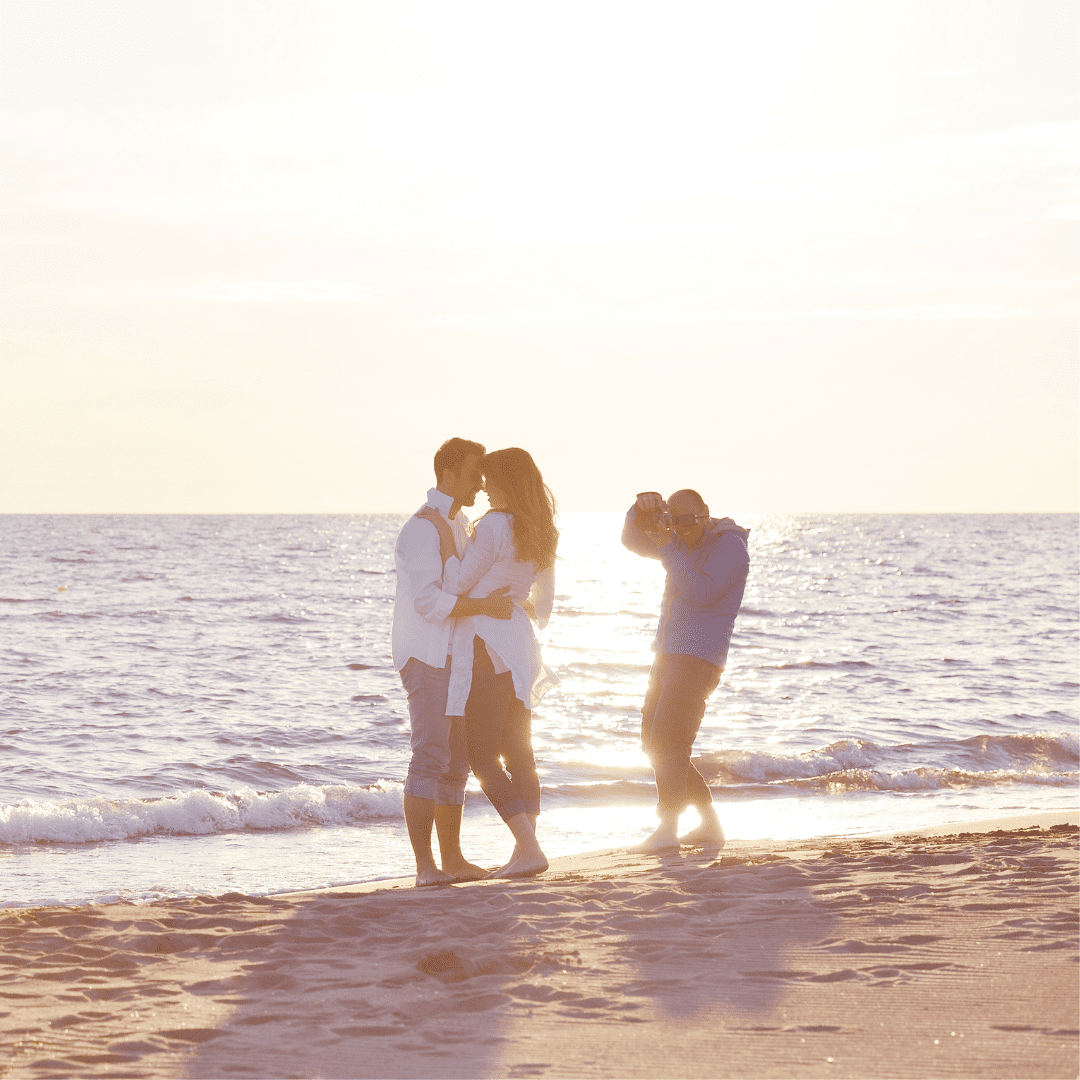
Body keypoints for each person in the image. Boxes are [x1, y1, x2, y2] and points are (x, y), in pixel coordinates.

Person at [392, 437, 515, 886]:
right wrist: (484, 608)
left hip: (458, 655)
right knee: (430, 756)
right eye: (473, 474)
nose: (481, 483)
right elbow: (428, 601)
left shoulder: (460, 523)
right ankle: (426, 868)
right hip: (426, 654)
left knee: (457, 760)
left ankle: (454, 861)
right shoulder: (423, 529)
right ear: (448, 475)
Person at [442, 447, 560, 878]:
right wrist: (510, 596)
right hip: (520, 644)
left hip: (484, 644)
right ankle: (526, 848)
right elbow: (542, 605)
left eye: (490, 479)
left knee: (482, 755)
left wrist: (448, 548)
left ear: (507, 482)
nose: (485, 487)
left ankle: (528, 848)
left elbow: (457, 583)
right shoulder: (542, 530)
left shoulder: (491, 526)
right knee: (518, 754)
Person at [621, 488, 750, 852]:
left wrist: (667, 545)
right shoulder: (676, 541)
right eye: (674, 521)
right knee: (653, 739)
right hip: (667, 653)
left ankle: (668, 829)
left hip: (698, 657)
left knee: (668, 739)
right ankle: (709, 825)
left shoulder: (729, 547)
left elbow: (701, 591)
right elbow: (631, 541)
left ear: (706, 512)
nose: (682, 528)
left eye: (689, 520)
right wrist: (639, 511)